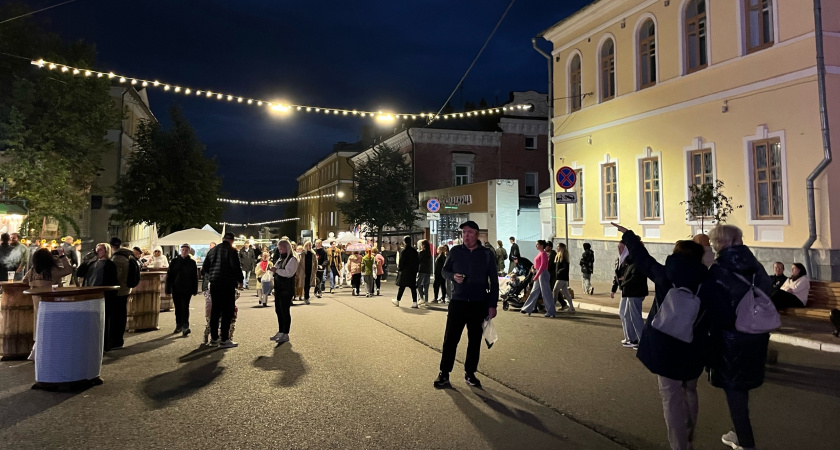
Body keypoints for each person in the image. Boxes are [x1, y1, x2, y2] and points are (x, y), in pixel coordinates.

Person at [612, 222, 716, 450]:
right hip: (693, 347)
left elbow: (642, 258)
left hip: (665, 348)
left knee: (670, 397)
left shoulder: (664, 276)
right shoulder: (708, 283)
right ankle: (688, 437)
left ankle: (679, 446)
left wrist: (628, 235)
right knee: (690, 390)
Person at [706, 224, 772, 450]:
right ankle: (737, 431)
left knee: (735, 389)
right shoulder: (754, 265)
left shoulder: (718, 269)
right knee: (742, 386)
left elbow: (716, 309)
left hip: (731, 339)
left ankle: (746, 443)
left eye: (714, 241)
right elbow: (768, 290)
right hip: (756, 333)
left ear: (720, 243)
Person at [434, 220, 499, 388]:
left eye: (470, 232)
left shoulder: (486, 254)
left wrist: (492, 304)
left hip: (478, 303)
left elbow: (494, 280)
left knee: (474, 340)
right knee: (450, 339)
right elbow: (444, 271)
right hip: (458, 302)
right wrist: (453, 276)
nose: (466, 235)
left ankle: (470, 373)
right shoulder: (455, 251)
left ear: (477, 234)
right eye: (464, 232)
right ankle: (444, 373)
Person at [23, 247, 73, 360]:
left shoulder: (32, 271)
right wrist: (62, 256)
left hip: (37, 303)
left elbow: (24, 280)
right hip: (52, 303)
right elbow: (68, 270)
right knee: (53, 327)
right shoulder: (52, 272)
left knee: (39, 325)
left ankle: (37, 351)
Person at [201, 232, 244, 348]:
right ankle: (224, 339)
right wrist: (240, 280)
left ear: (223, 239)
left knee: (215, 310)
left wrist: (213, 274)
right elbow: (235, 267)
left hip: (214, 283)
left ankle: (214, 338)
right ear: (232, 241)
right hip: (227, 283)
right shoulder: (231, 251)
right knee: (227, 311)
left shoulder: (213, 250)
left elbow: (205, 267)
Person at [78, 243, 119, 352]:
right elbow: (79, 273)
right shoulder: (92, 263)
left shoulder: (110, 264)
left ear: (106, 251)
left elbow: (113, 280)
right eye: (97, 250)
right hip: (89, 293)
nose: (97, 252)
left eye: (100, 250)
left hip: (103, 294)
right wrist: (85, 260)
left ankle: (104, 345)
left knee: (104, 320)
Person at [611, 241, 649, 349]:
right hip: (629, 290)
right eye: (618, 247)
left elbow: (635, 277)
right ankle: (632, 339)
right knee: (627, 314)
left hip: (635, 292)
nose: (619, 249)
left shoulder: (635, 260)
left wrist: (623, 282)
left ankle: (640, 340)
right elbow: (621, 275)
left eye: (622, 247)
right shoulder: (624, 259)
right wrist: (616, 286)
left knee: (634, 316)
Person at [165, 243, 198, 337]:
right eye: (183, 250)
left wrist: (194, 289)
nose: (184, 251)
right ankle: (178, 324)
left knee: (185, 307)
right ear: (180, 251)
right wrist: (168, 289)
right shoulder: (174, 261)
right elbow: (169, 276)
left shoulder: (191, 263)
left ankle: (185, 326)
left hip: (187, 288)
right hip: (176, 288)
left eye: (186, 250)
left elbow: (194, 277)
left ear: (189, 251)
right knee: (178, 307)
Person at [108, 238, 134, 350]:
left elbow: (116, 277)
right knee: (121, 314)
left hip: (118, 291)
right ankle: (118, 340)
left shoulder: (117, 259)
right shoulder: (126, 256)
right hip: (125, 289)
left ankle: (116, 341)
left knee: (117, 316)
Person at [269, 240, 297, 343]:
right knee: (278, 310)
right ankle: (281, 331)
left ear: (287, 248)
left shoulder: (292, 259)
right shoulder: (281, 259)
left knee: (285, 311)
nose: (280, 251)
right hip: (279, 287)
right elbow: (276, 269)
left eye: (281, 248)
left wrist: (276, 271)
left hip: (287, 288)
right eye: (279, 249)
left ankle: (286, 333)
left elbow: (289, 273)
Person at [520, 240, 556, 317]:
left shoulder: (543, 254)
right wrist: (534, 270)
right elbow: (537, 265)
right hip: (539, 273)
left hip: (542, 274)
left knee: (545, 293)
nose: (536, 246)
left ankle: (551, 311)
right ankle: (527, 308)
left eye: (537, 244)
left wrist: (536, 275)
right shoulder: (541, 253)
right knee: (534, 291)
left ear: (542, 245)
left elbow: (543, 266)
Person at [392, 236, 419, 308]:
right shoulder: (414, 251)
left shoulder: (404, 251)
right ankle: (415, 302)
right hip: (412, 271)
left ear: (404, 242)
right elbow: (417, 262)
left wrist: (400, 269)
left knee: (402, 286)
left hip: (405, 271)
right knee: (413, 287)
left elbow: (401, 262)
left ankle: (397, 300)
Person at [553, 242, 575, 313]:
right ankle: (571, 307)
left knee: (555, 291)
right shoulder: (559, 256)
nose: (557, 248)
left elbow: (565, 268)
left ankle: (552, 306)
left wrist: (559, 271)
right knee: (566, 293)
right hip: (562, 278)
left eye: (558, 247)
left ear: (561, 248)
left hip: (561, 277)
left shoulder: (563, 257)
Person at [416, 239, 433, 304]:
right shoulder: (429, 254)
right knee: (426, 285)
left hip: (422, 270)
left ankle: (421, 297)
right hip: (428, 271)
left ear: (423, 245)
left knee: (418, 284)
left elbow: (418, 261)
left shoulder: (421, 253)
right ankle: (426, 300)